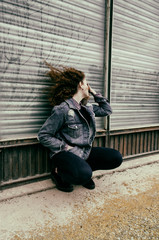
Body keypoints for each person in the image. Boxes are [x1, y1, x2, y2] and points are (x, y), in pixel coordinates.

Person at [38, 63, 122, 192]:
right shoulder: (63, 110)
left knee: (116, 157)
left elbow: (107, 110)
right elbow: (43, 135)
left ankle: (83, 171)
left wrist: (94, 93)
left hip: (83, 152)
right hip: (65, 152)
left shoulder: (87, 108)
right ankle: (58, 173)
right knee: (83, 174)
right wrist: (65, 146)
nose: (88, 86)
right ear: (81, 85)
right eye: (86, 83)